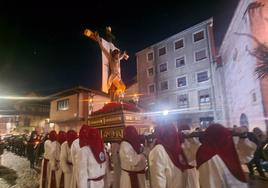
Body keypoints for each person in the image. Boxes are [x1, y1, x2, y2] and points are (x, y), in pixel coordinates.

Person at [196, 124, 257, 188]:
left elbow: (245, 154)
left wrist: (243, 136)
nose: (228, 138)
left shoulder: (224, 148)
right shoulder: (207, 153)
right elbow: (210, 182)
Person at [84, 29, 129, 101]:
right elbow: (103, 48)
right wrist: (98, 39)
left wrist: (124, 55)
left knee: (123, 87)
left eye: (118, 56)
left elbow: (121, 57)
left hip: (118, 76)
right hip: (113, 76)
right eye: (116, 56)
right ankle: (115, 96)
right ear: (114, 55)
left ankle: (117, 95)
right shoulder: (110, 58)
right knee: (119, 88)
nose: (117, 57)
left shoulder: (118, 59)